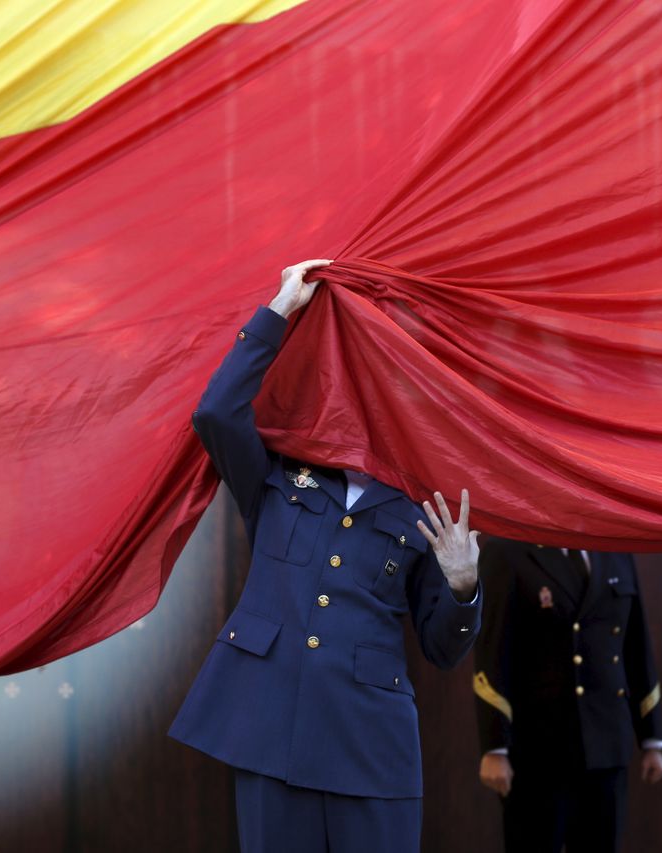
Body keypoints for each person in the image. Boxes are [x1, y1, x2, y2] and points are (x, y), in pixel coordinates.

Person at [169, 259, 483, 853]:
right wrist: (281, 309)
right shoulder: (281, 475)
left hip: (368, 741)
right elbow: (215, 413)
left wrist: (464, 586)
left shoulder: (423, 505)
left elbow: (443, 647)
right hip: (270, 726)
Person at [473, 537, 662, 853]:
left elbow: (636, 646)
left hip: (606, 744)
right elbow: (494, 650)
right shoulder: (508, 549)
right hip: (538, 749)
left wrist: (652, 738)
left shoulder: (614, 546)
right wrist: (494, 747)